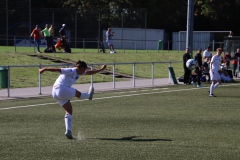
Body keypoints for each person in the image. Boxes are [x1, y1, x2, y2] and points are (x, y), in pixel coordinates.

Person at [39, 60, 107, 139]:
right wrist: (44, 69)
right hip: (61, 89)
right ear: (80, 68)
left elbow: (90, 72)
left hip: (55, 93)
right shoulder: (71, 70)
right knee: (76, 93)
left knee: (69, 111)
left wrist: (101, 70)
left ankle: (68, 131)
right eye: (84, 69)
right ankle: (89, 96)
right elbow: (58, 70)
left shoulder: (79, 72)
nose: (85, 71)